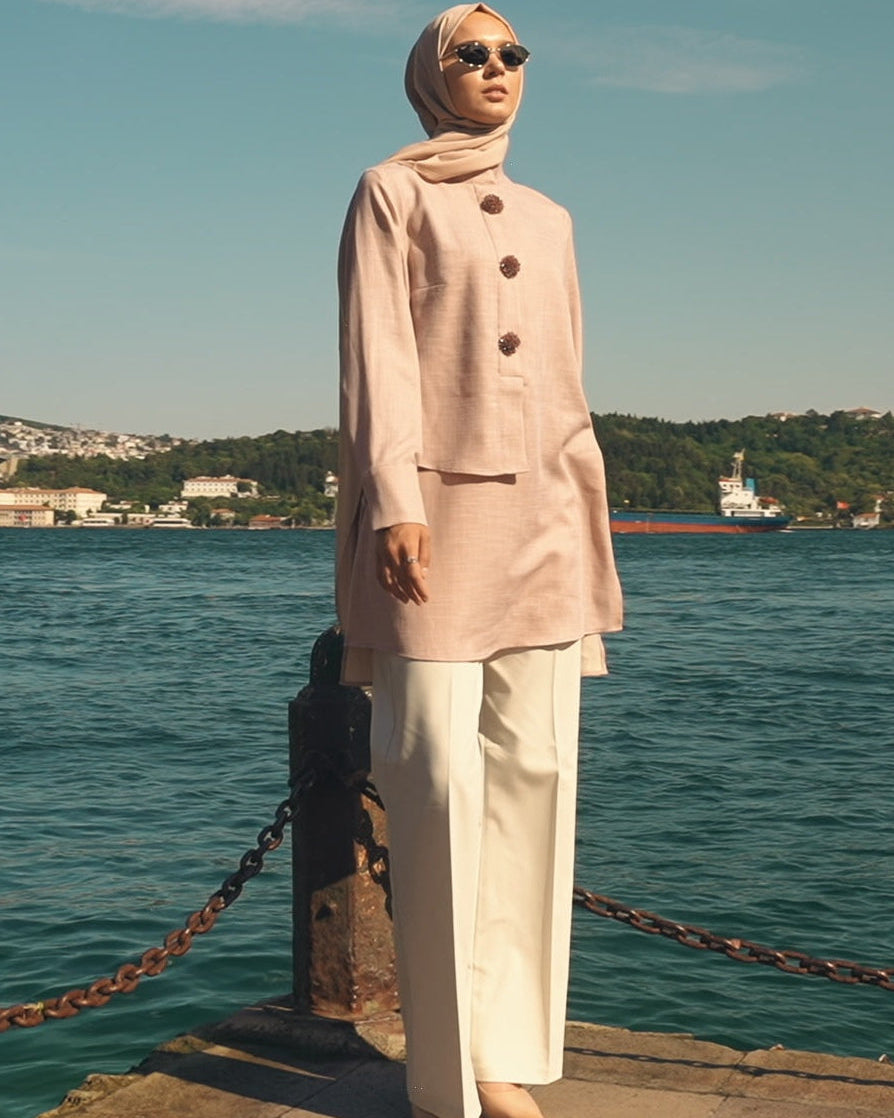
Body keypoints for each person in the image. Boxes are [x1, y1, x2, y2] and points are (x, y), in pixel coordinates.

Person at [336, 5, 623, 1117]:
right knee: (437, 777)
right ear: (431, 73)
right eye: (473, 54)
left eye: (513, 55)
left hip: (547, 516)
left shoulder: (553, 217)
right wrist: (395, 502)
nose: (496, 70)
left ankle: (509, 1057)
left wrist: (585, 499)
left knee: (537, 776)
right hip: (436, 517)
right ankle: (447, 1074)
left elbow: (567, 373)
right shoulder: (390, 191)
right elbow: (378, 359)